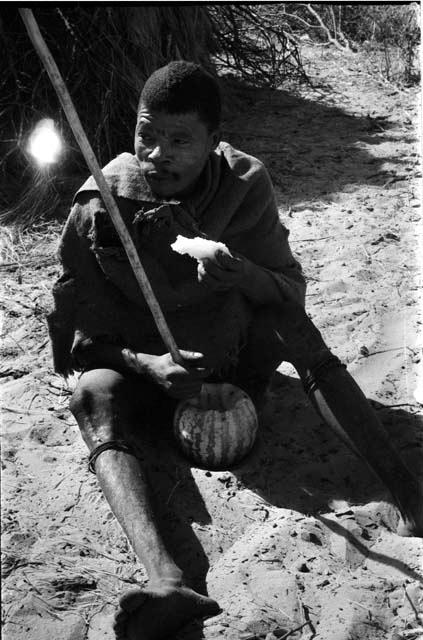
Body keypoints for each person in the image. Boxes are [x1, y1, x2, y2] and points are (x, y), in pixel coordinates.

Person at [48, 61, 422, 640]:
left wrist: (241, 273)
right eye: (147, 134)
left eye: (179, 141)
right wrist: (144, 364)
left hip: (235, 360)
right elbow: (77, 339)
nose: (157, 154)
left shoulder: (246, 184)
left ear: (213, 144)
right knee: (90, 395)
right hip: (150, 379)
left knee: (293, 328)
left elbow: (288, 293)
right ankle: (166, 577)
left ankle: (407, 493)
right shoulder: (101, 203)